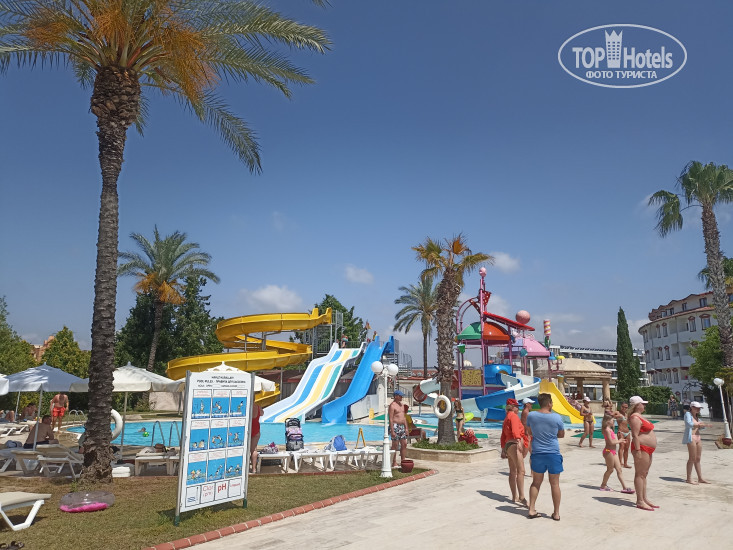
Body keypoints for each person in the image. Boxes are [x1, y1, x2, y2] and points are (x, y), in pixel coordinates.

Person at [526, 393, 565, 521]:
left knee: (536, 482)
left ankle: (531, 509)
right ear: (549, 403)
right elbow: (561, 434)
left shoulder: (531, 416)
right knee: (555, 484)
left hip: (537, 452)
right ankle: (556, 513)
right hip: (553, 453)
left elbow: (529, 432)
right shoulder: (556, 417)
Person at [628, 395, 658, 511]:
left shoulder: (640, 416)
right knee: (640, 474)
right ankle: (640, 500)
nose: (644, 405)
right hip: (641, 447)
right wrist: (638, 450)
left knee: (644, 474)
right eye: (643, 404)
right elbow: (635, 435)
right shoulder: (634, 418)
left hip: (647, 448)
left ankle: (644, 498)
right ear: (637, 405)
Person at [500, 398, 527, 506]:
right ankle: (522, 497)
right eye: (517, 407)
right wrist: (518, 441)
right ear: (513, 407)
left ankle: (514, 496)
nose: (518, 409)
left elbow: (503, 435)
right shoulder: (514, 416)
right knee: (521, 471)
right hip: (514, 444)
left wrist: (503, 449)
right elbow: (516, 431)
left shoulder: (506, 417)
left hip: (508, 445)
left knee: (512, 472)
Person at [599, 413, 634, 493]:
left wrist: (621, 440)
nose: (614, 421)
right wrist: (619, 441)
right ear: (608, 421)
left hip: (613, 452)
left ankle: (624, 487)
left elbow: (613, 440)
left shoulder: (610, 430)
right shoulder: (606, 430)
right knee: (610, 470)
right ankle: (603, 485)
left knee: (619, 469)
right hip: (608, 452)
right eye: (612, 420)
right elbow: (611, 442)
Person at [683, 401, 709, 484]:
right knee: (692, 458)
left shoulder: (697, 417)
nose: (698, 409)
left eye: (699, 408)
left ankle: (700, 478)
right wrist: (699, 424)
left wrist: (703, 425)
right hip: (691, 437)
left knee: (698, 458)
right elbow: (689, 424)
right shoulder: (688, 414)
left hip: (698, 437)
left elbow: (701, 427)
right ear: (692, 407)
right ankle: (688, 478)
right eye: (696, 408)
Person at [388, 390, 408, 467]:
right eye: (400, 396)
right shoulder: (392, 405)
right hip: (395, 426)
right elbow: (390, 419)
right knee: (395, 445)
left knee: (404, 444)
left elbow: (404, 417)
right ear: (396, 396)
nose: (402, 397)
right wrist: (392, 430)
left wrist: (406, 428)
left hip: (401, 426)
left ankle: (403, 461)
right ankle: (394, 462)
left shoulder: (402, 405)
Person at [615, 402, 632, 468]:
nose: (624, 408)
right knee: (621, 447)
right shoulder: (617, 413)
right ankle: (619, 463)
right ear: (621, 406)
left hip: (627, 432)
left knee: (627, 448)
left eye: (626, 407)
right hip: (621, 432)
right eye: (623, 407)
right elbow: (609, 414)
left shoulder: (627, 415)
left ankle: (625, 463)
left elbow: (629, 423)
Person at [250, 402, 263, 473]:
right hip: (256, 428)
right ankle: (254, 469)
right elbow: (262, 413)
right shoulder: (258, 407)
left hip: (248, 428)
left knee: (245, 449)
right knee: (254, 450)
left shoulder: (247, 406)